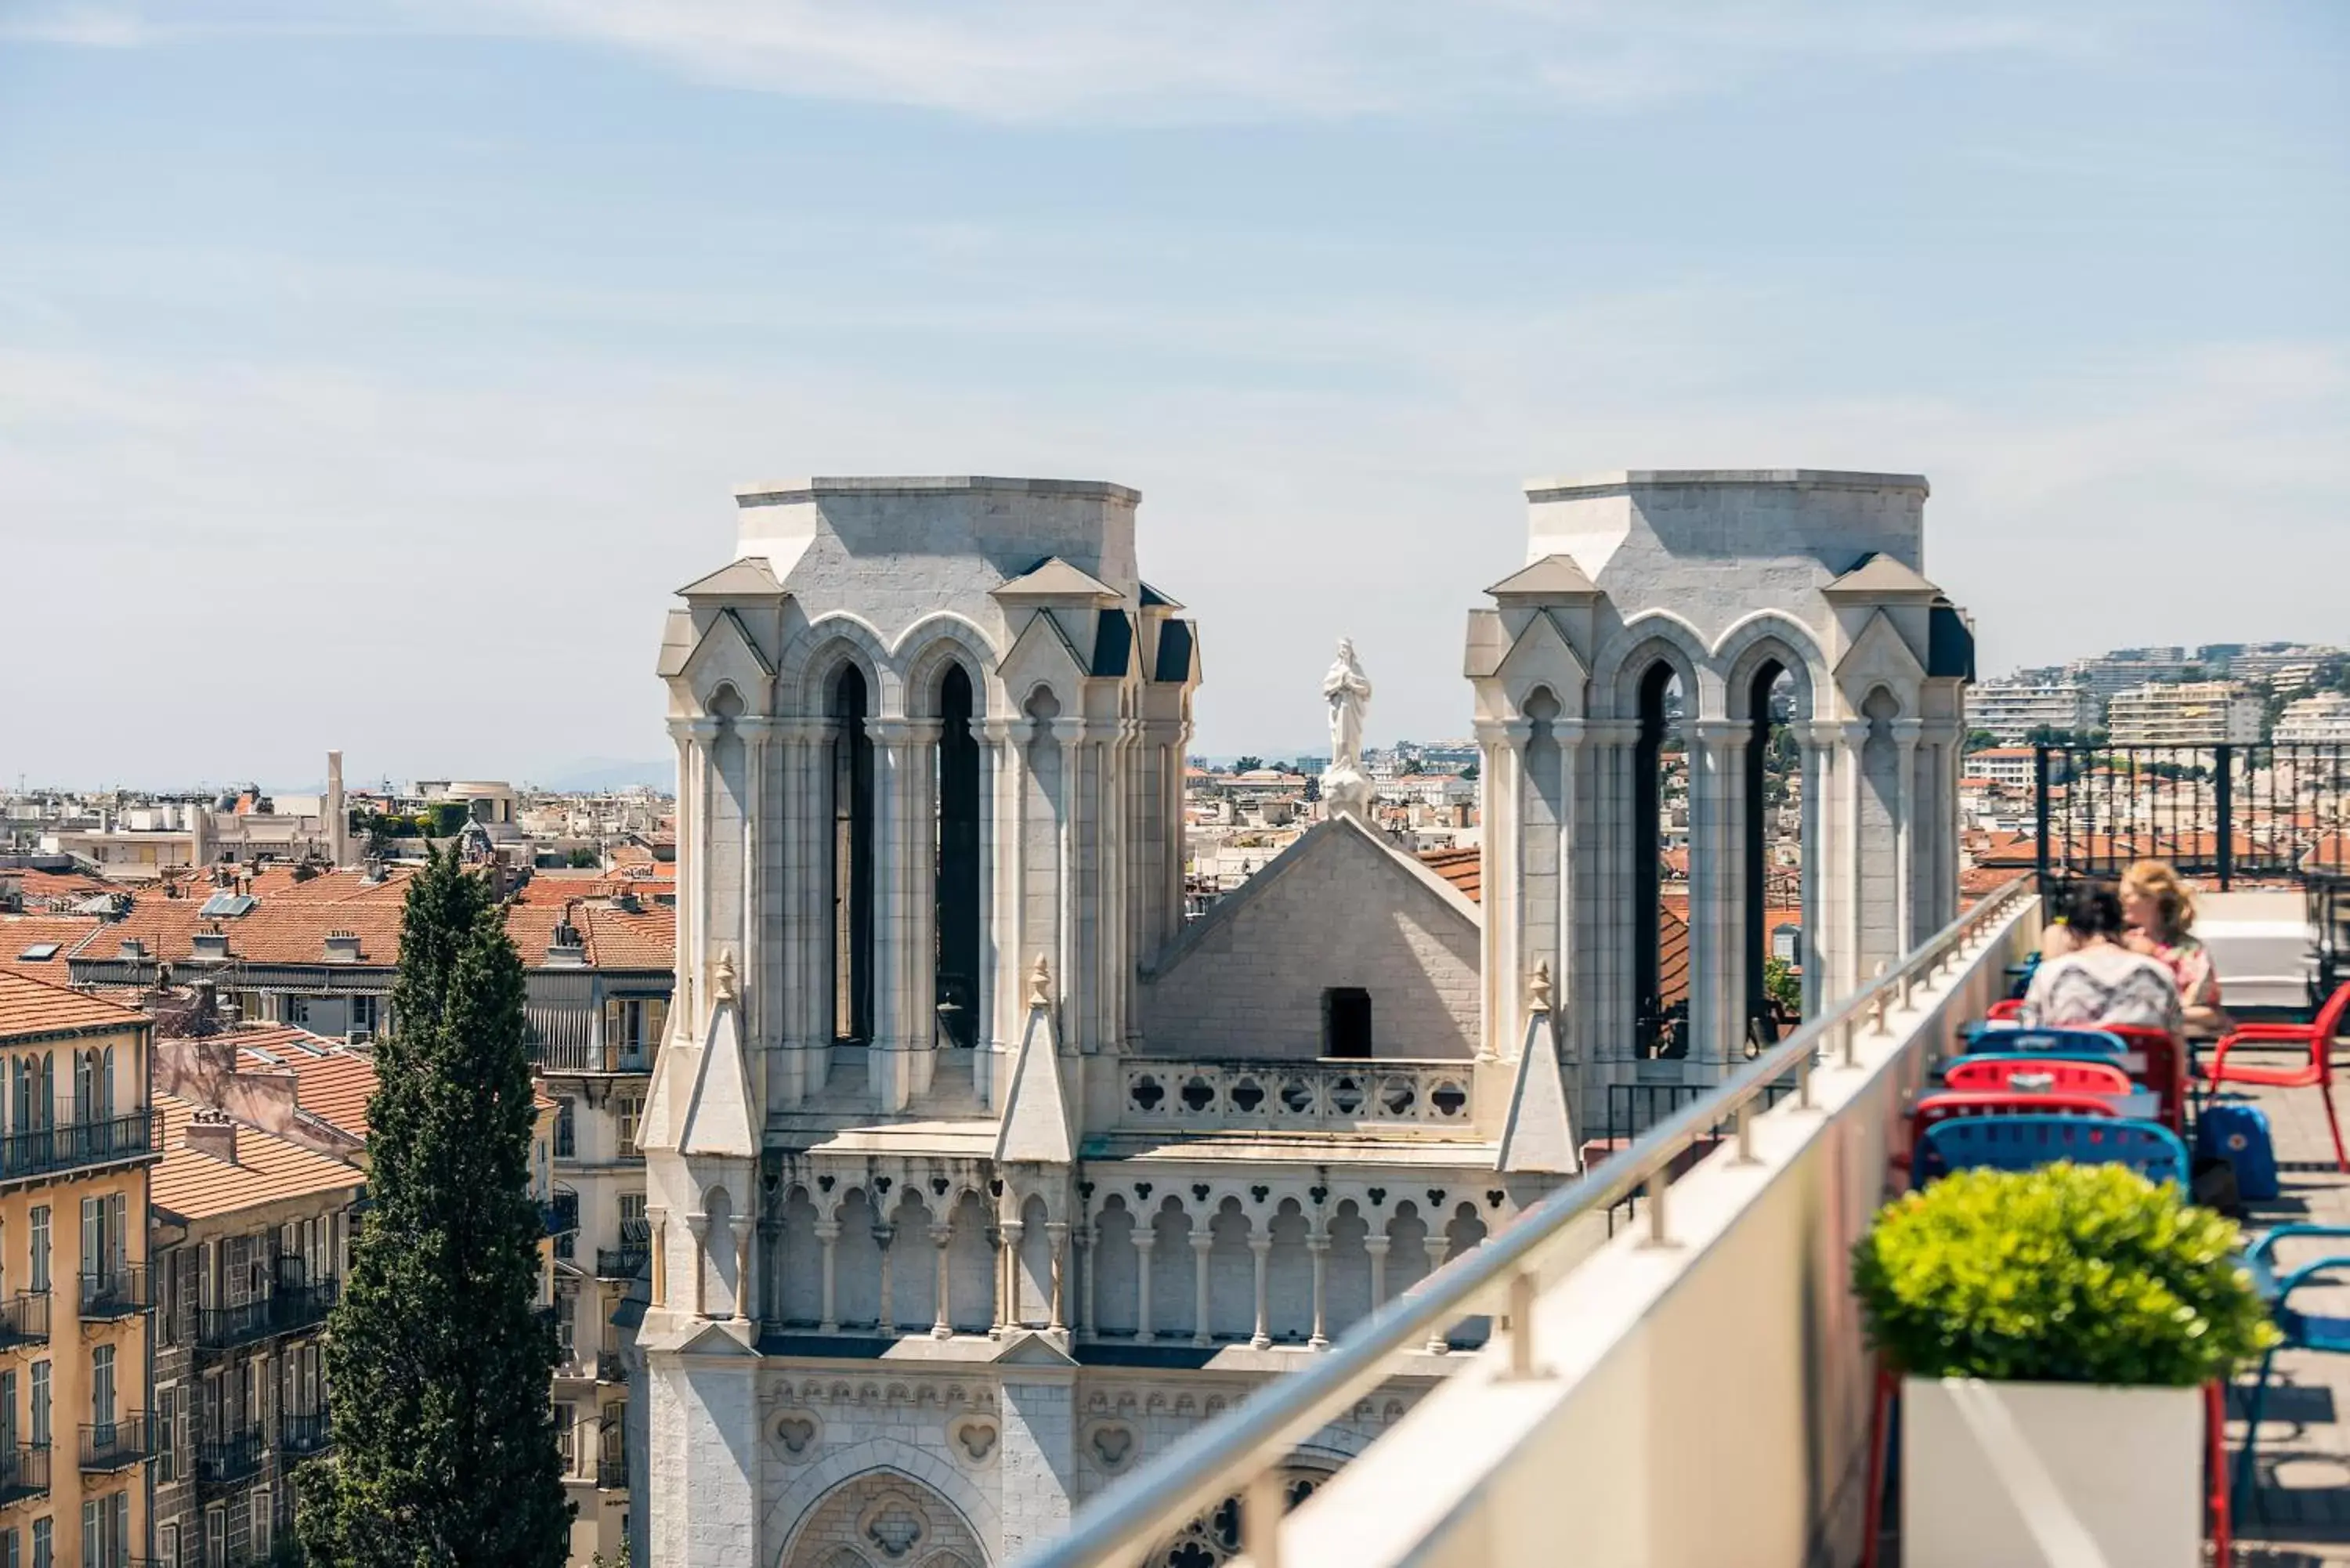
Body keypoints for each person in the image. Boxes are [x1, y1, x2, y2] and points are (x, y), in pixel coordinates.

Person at [2019, 881, 2182, 1035]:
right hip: (2145, 1065)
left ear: (2071, 932)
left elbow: (2030, 1033)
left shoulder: (2049, 974)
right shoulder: (2159, 973)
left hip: (2078, 1063)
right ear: (2122, 927)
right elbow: (2176, 1046)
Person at [2119, 858, 2229, 1036]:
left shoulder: (2189, 950)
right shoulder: (2121, 944)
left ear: (2151, 898)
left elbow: (2204, 1009)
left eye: (2126, 896)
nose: (2121, 902)